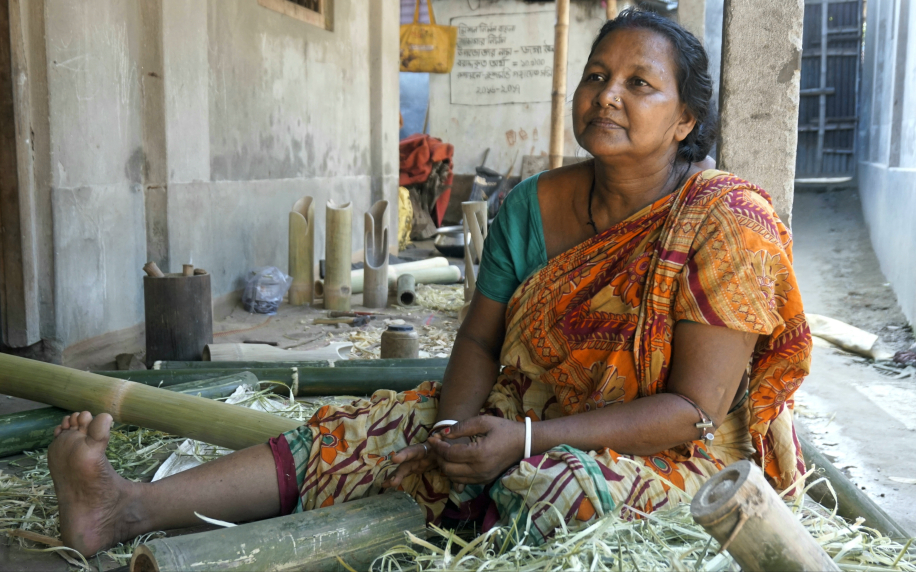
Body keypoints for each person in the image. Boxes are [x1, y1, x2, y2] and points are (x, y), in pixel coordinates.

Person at [48, 8, 810, 556]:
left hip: (672, 458)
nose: (607, 95)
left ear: (685, 121)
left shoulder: (725, 223)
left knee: (552, 488)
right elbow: (478, 341)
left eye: (640, 84)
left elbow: (692, 414)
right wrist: (452, 432)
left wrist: (525, 442)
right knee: (374, 431)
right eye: (597, 76)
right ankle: (124, 508)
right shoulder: (531, 206)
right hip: (525, 416)